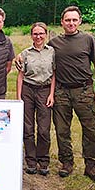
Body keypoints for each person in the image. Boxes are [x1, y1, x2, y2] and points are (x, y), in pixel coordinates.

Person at [48, 6, 95, 182]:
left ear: (79, 21)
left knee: (90, 130)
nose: (71, 23)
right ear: (62, 22)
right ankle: (66, 163)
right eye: (67, 20)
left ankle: (91, 166)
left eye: (74, 20)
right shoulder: (54, 43)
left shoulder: (88, 39)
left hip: (84, 90)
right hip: (62, 92)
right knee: (62, 130)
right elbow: (42, 58)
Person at [16, 22, 56, 176]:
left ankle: (43, 161)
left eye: (41, 33)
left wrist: (52, 94)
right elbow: (20, 76)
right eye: (35, 34)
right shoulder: (25, 54)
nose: (38, 36)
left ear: (45, 34)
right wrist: (19, 97)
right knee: (28, 127)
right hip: (28, 89)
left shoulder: (52, 52)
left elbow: (54, 75)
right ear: (31, 35)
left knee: (44, 128)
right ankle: (31, 161)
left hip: (45, 90)